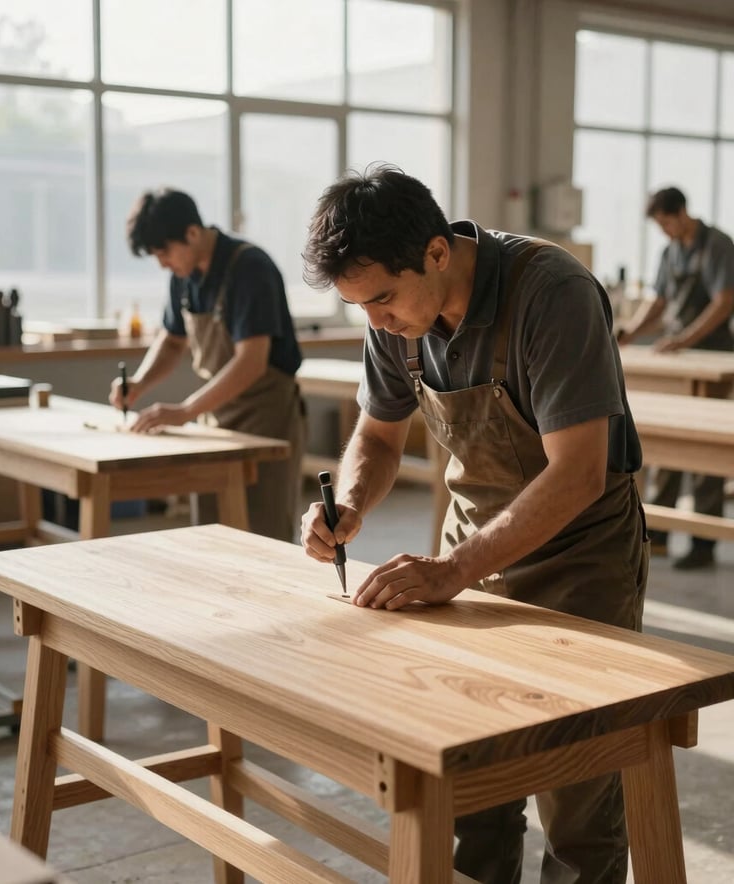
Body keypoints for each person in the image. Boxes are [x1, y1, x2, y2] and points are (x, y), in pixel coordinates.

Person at [300, 165, 649, 884]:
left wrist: (451, 572)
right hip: (470, 557)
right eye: (359, 306)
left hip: (580, 566)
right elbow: (377, 437)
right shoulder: (394, 317)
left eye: (384, 300)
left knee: (577, 796)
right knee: (470, 786)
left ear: (435, 251)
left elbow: (579, 473)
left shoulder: (551, 292)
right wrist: (352, 504)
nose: (377, 321)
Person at [110, 188, 304, 542]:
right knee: (214, 529)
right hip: (216, 414)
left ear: (193, 233)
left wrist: (185, 410)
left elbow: (251, 362)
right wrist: (138, 383)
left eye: (164, 252)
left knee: (265, 528)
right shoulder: (182, 278)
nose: (162, 263)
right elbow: (171, 341)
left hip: (266, 414)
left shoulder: (250, 268)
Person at [618, 186, 734, 570]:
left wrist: (684, 339)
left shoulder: (716, 245)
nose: (664, 231)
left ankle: (703, 543)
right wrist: (631, 330)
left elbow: (724, 301)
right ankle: (661, 533)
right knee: (665, 447)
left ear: (682, 212)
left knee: (703, 451)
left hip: (712, 355)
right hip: (678, 356)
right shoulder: (669, 253)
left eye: (666, 222)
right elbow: (661, 301)